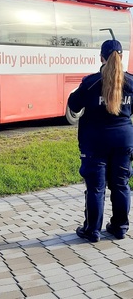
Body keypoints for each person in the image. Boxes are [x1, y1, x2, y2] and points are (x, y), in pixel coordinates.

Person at [68, 39, 133, 242]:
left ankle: (92, 230)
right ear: (121, 57)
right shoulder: (131, 82)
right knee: (121, 184)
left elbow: (73, 105)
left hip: (95, 141)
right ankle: (120, 227)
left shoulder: (91, 82)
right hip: (124, 140)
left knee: (96, 188)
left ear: (101, 58)